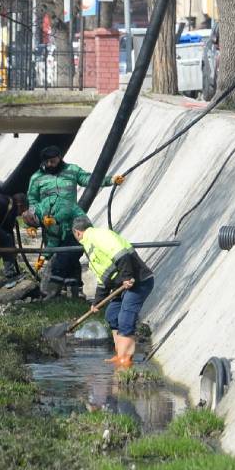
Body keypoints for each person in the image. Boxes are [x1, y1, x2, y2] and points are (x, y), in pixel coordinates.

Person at [25, 146, 124, 297]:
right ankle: (70, 291)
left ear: (60, 157)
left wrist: (111, 180)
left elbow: (90, 180)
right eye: (47, 162)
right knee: (58, 254)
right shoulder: (36, 178)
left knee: (72, 253)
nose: (50, 164)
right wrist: (32, 222)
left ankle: (70, 289)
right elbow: (32, 200)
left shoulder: (72, 170)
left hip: (73, 223)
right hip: (50, 225)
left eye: (53, 161)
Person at [73, 216, 154, 369]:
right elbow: (103, 278)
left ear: (77, 233)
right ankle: (119, 354)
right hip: (121, 285)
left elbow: (121, 254)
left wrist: (127, 276)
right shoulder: (89, 245)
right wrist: (97, 302)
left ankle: (126, 360)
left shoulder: (97, 236)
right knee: (112, 314)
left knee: (125, 318)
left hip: (137, 281)